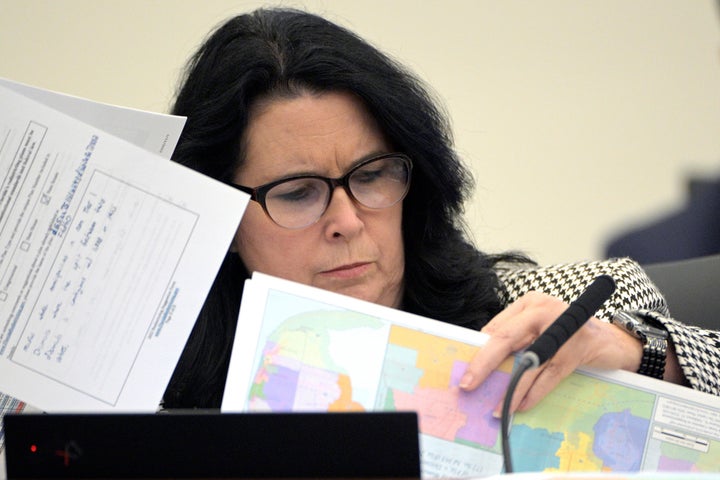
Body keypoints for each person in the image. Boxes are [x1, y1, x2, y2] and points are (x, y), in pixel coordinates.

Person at [162, 7, 720, 410]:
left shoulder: (569, 306)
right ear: (223, 216)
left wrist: (641, 354)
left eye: (372, 175)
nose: (349, 222)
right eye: (297, 192)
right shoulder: (158, 377)